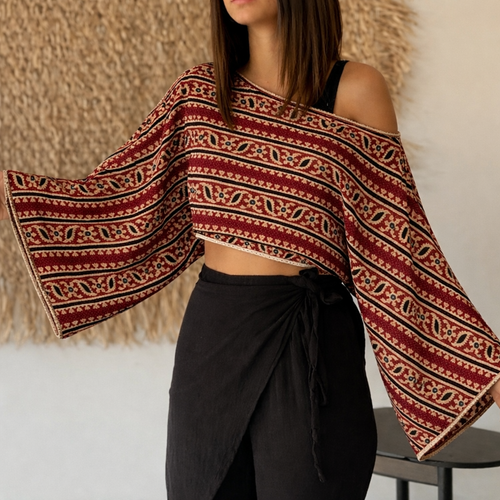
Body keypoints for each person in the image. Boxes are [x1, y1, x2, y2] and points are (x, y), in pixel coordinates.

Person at [1, 0, 500, 498]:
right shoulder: (199, 95)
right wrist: (13, 193)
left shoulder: (354, 90)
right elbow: (120, 199)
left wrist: (483, 367)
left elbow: (399, 244)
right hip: (214, 341)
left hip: (312, 347)